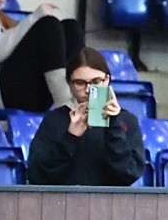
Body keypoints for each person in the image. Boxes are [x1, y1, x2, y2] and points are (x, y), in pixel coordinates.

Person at [27, 47, 146, 186]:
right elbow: (37, 175)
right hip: (63, 204)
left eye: (96, 82)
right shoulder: (54, 120)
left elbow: (129, 174)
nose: (89, 90)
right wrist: (70, 137)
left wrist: (113, 126)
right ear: (69, 84)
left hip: (109, 204)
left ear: (107, 80)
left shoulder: (126, 121)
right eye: (80, 83)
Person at [0, 0, 85, 111]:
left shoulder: (3, 20)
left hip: (29, 93)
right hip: (3, 96)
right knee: (48, 25)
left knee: (71, 27)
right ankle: (66, 106)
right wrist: (34, 17)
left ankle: (79, 97)